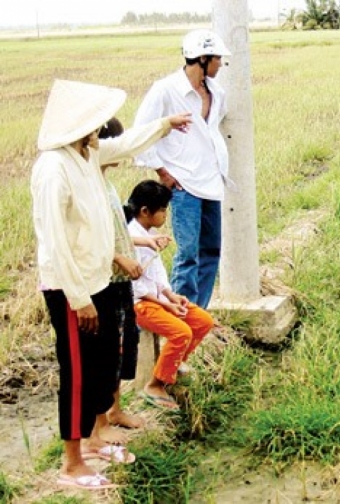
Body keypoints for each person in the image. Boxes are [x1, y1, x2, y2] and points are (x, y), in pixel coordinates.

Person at [31, 79, 192, 489]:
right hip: (73, 290)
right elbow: (55, 241)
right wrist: (79, 297)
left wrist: (165, 124)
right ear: (78, 123)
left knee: (101, 366)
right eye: (96, 122)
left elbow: (129, 142)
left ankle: (89, 443)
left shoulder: (87, 155)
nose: (102, 131)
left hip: (99, 282)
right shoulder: (54, 168)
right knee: (78, 372)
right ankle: (71, 464)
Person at [133, 28, 232, 310]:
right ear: (202, 58)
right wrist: (162, 171)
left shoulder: (217, 92)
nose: (220, 64)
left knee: (211, 250)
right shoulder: (165, 90)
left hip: (211, 180)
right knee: (188, 254)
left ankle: (197, 312)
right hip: (184, 184)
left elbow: (209, 132)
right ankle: (178, 316)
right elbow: (141, 132)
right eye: (217, 59)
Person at [96, 117, 172, 440]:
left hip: (120, 278)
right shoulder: (91, 186)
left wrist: (142, 243)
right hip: (106, 280)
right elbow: (97, 239)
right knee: (106, 350)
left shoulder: (107, 185)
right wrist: (119, 258)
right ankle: (100, 423)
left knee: (121, 347)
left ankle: (115, 409)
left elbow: (120, 232)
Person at [126, 180, 215, 410]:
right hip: (141, 304)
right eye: (163, 210)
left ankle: (171, 368)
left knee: (203, 321)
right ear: (146, 211)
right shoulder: (132, 240)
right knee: (181, 332)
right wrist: (165, 305)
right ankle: (155, 384)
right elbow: (137, 288)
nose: (166, 215)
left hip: (158, 298)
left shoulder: (149, 234)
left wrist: (171, 296)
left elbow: (158, 274)